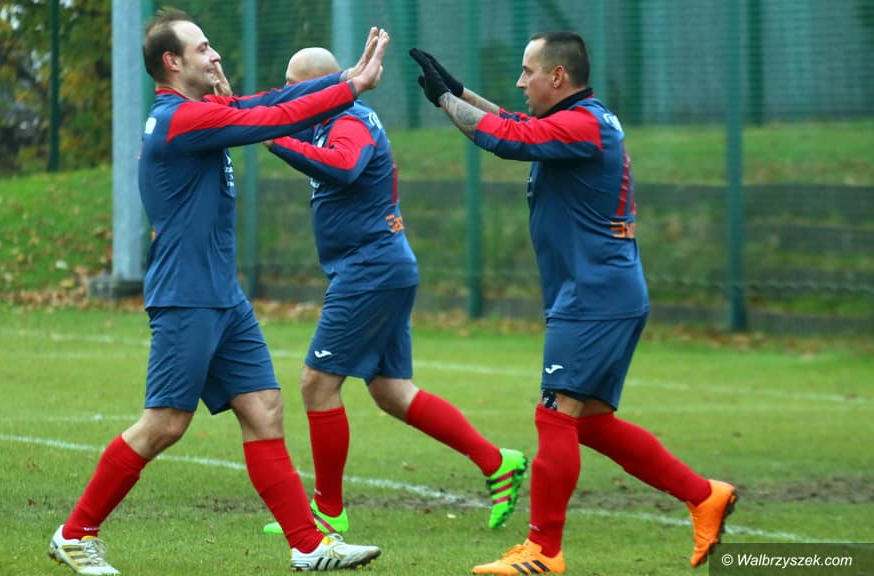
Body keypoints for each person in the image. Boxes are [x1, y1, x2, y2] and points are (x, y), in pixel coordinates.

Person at [46, 9, 390, 575]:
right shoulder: (180, 119)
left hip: (221, 296)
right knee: (165, 423)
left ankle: (308, 545)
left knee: (264, 409)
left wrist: (345, 77)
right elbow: (273, 116)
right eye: (203, 48)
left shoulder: (198, 114)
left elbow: (265, 103)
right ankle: (76, 533)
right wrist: (350, 88)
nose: (216, 55)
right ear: (172, 62)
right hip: (188, 295)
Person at [409, 32, 737, 574]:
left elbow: (503, 139)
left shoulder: (582, 124)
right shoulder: (579, 120)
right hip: (599, 293)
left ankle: (543, 551)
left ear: (558, 76)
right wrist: (460, 93)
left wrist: (446, 100)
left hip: (594, 297)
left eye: (528, 71)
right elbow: (515, 124)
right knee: (591, 424)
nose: (521, 82)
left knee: (555, 417)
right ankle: (704, 496)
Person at [257, 46, 527, 538]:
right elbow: (277, 120)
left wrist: (276, 140)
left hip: (370, 270)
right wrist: (238, 109)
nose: (286, 91)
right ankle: (497, 462)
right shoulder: (323, 120)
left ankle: (328, 511)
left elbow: (345, 166)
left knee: (317, 384)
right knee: (391, 391)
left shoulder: (351, 121)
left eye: (293, 84)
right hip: (379, 267)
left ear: (320, 84)